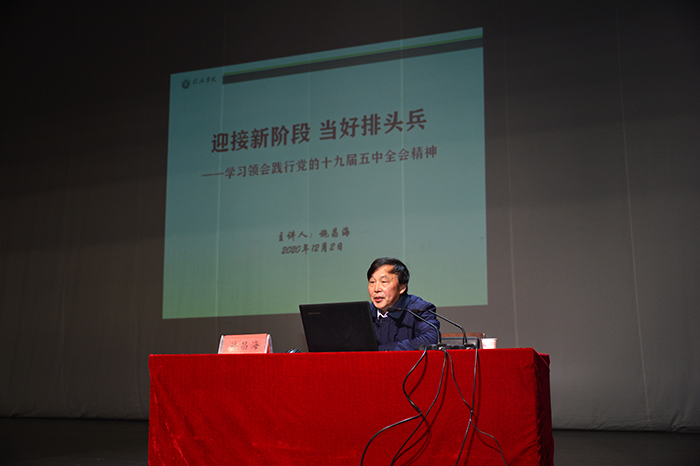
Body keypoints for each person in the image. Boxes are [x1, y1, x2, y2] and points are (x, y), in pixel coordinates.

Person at [367, 257, 440, 350]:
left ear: (402, 287)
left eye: (384, 282)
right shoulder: (364, 313)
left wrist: (378, 351)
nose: (376, 289)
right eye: (372, 282)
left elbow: (430, 339)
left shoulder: (419, 309)